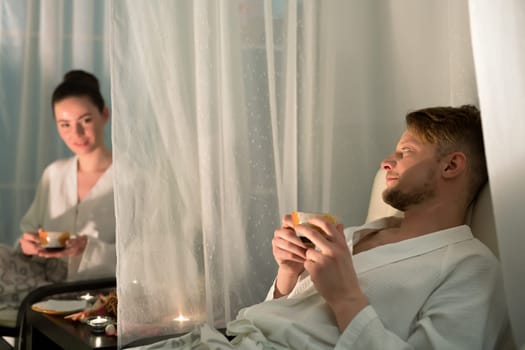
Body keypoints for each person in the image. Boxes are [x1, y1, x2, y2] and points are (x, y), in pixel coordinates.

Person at [129, 105, 507, 349]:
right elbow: (280, 321)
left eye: (405, 152)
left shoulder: (471, 267)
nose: (387, 162)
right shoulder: (359, 234)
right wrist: (287, 277)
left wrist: (347, 297)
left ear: (451, 166)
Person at [0, 70, 115, 316]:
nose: (76, 133)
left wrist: (87, 248)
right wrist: (28, 244)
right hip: (43, 280)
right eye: (65, 125)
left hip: (97, 285)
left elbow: (149, 253)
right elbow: (29, 234)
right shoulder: (54, 173)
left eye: (85, 120)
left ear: (104, 114)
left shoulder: (132, 178)